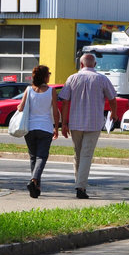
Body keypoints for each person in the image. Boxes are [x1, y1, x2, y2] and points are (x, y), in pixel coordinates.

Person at [59, 52, 118, 199]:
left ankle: (79, 184)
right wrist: (114, 112)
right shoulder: (102, 79)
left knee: (77, 155)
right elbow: (112, 98)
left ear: (81, 64)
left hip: (75, 122)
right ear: (95, 65)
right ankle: (81, 186)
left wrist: (64, 123)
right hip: (94, 122)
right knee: (86, 155)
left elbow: (65, 101)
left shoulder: (72, 78)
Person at [16, 64, 62, 198]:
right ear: (44, 76)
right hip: (45, 128)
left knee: (33, 157)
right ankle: (34, 180)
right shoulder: (51, 91)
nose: (49, 76)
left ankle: (36, 188)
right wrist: (56, 128)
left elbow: (20, 108)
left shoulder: (28, 89)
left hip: (30, 128)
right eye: (48, 74)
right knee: (42, 156)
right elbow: (55, 111)